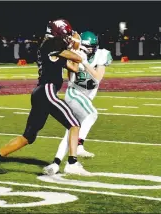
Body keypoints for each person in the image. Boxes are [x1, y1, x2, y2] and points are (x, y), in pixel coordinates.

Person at [0, 19, 92, 180]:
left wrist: (75, 52)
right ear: (58, 33)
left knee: (28, 137)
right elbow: (77, 59)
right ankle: (72, 164)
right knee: (74, 124)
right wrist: (78, 51)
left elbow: (73, 67)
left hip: (41, 93)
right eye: (66, 34)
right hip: (47, 91)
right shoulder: (51, 44)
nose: (68, 37)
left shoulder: (53, 50)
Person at [43, 31, 113, 175]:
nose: (88, 49)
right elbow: (70, 75)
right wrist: (74, 57)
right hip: (74, 92)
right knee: (92, 114)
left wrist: (85, 62)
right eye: (86, 46)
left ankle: (56, 163)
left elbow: (97, 77)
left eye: (91, 47)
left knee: (70, 130)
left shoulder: (101, 54)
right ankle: (79, 146)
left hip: (87, 96)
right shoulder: (73, 53)